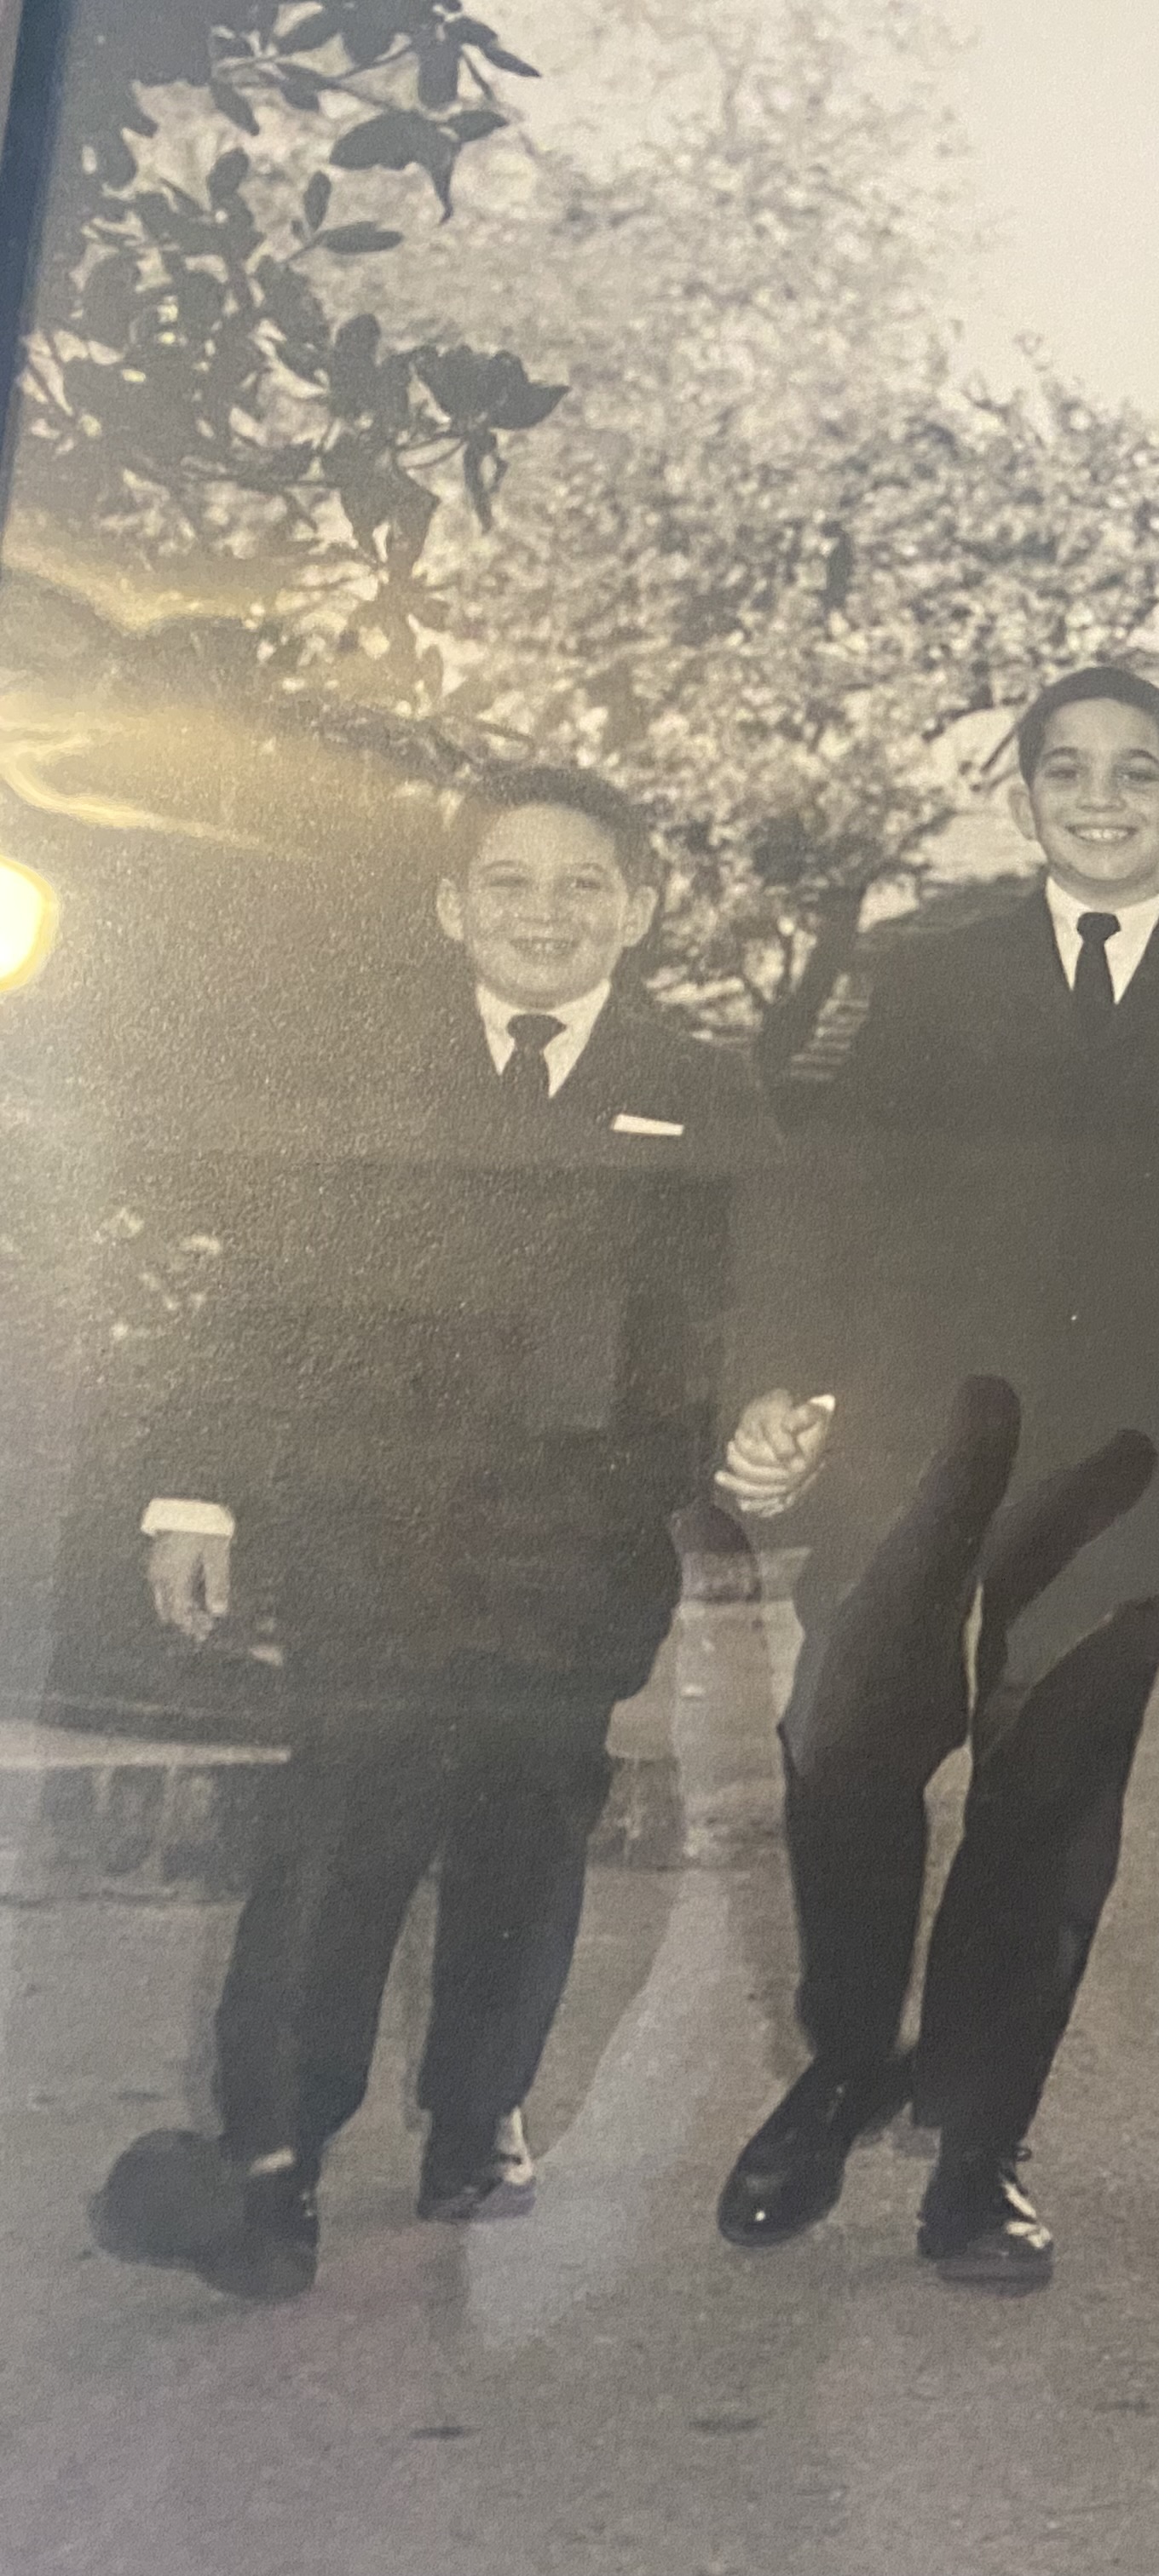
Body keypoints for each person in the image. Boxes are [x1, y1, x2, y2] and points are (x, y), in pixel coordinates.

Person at [92, 768, 767, 2301]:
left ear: (641, 906)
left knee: (527, 1832)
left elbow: (757, 1287)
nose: (544, 913)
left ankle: (476, 2111)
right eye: (509, 882)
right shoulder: (354, 1063)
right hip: (369, 1529)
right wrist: (196, 1488)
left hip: (575, 1541)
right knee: (340, 1830)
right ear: (451, 904)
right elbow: (254, 1297)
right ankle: (274, 2161)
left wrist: (767, 1432)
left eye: (582, 884)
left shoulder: (705, 1083)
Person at [711, 667, 1159, 2287]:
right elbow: (822, 1199)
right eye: (1066, 770)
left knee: (1047, 1796)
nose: (1101, 798)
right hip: (919, 1435)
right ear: (1018, 797)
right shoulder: (927, 978)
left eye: (1137, 772)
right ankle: (844, 2060)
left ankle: (977, 2148)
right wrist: (780, 1380)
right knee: (847, 1759)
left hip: (1114, 1464)